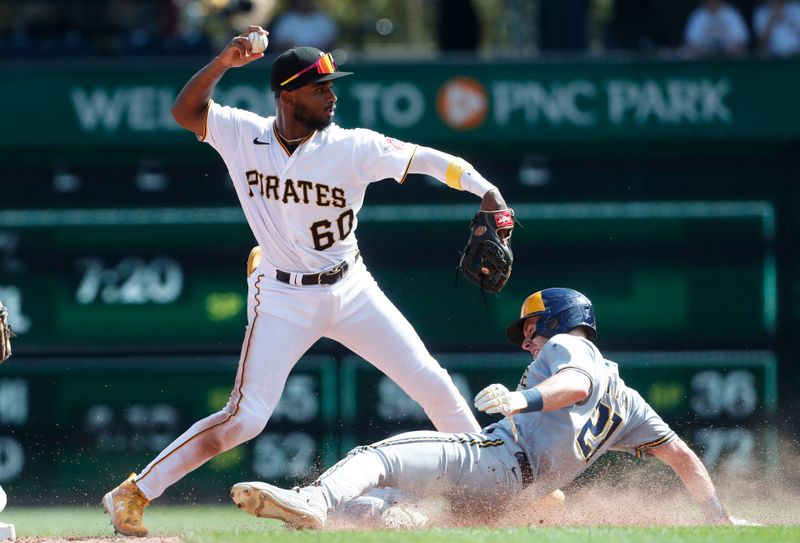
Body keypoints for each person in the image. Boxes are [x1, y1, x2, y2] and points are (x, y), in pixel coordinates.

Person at [101, 25, 514, 537]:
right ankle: (133, 492)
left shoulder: (353, 146)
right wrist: (224, 64)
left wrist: (486, 189)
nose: (332, 95)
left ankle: (498, 489)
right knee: (245, 419)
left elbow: (430, 160)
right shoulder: (242, 132)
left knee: (435, 386)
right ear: (287, 94)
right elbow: (184, 111)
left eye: (332, 86)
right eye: (320, 88)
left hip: (351, 287)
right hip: (281, 295)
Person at [229, 287, 759, 529]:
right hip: (511, 501)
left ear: (559, 319)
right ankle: (391, 519)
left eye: (531, 326)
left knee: (379, 456)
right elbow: (683, 457)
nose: (527, 339)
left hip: (498, 462)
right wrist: (721, 518)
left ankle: (315, 499)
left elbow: (574, 384)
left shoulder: (568, 346)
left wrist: (521, 397)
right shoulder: (632, 403)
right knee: (389, 507)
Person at [683, 0, 749, 57]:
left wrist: (726, 50)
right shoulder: (698, 15)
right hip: (703, 62)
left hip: (729, 61)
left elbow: (741, 40)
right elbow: (691, 42)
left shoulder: (731, 13)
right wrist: (708, 51)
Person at [269, 0, 338, 52]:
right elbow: (279, 44)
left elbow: (331, 43)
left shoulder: (324, 19)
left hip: (321, 63)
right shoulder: (286, 20)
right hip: (292, 64)